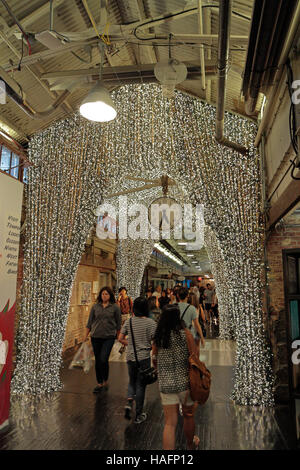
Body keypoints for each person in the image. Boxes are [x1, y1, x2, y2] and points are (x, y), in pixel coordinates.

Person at [152, 304, 200, 450]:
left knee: (170, 423)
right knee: (188, 416)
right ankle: (190, 445)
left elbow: (154, 358)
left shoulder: (159, 336)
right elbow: (194, 358)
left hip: (166, 384)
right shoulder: (186, 334)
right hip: (185, 383)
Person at [118, 297, 157, 424]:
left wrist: (130, 343)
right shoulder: (151, 323)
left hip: (130, 356)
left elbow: (120, 338)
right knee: (141, 385)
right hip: (144, 358)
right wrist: (150, 347)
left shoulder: (129, 322)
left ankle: (129, 402)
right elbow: (155, 340)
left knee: (132, 381)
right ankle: (139, 414)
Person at [84, 286, 121, 393]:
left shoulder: (115, 307)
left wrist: (119, 337)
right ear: (100, 295)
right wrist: (85, 336)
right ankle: (99, 383)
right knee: (98, 360)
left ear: (110, 296)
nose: (104, 296)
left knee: (103, 359)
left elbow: (118, 324)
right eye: (103, 294)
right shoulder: (95, 307)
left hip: (109, 337)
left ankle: (105, 379)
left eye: (107, 294)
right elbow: (89, 322)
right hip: (95, 336)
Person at [117, 287, 133, 354]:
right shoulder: (119, 299)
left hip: (127, 315)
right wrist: (118, 300)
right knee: (121, 331)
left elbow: (132, 307)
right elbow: (117, 308)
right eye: (121, 291)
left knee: (126, 330)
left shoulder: (129, 299)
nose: (122, 292)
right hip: (120, 316)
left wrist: (132, 315)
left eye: (123, 291)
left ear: (126, 291)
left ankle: (124, 345)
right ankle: (124, 345)